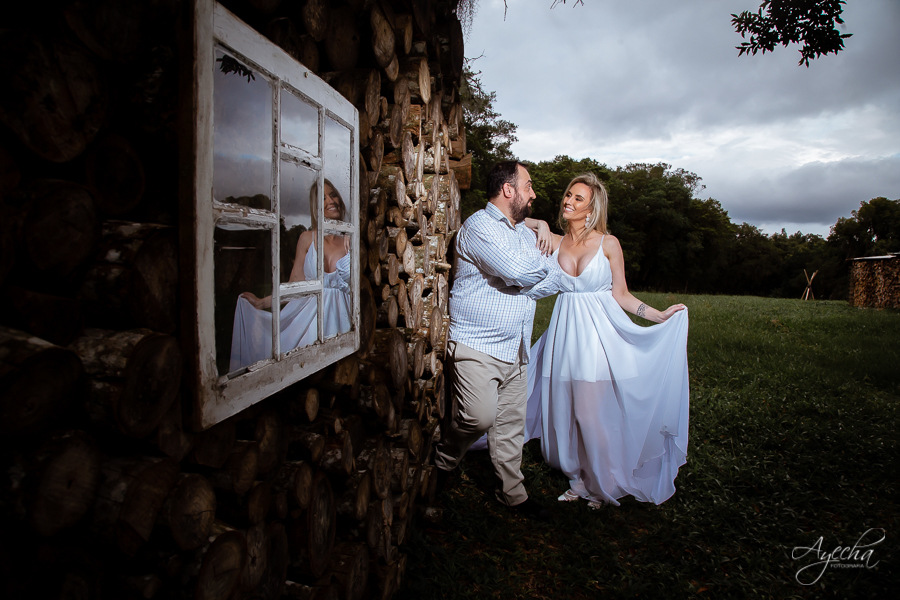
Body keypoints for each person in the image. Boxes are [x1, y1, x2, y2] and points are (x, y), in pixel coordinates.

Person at [523, 172, 689, 508]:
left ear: (591, 208)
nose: (568, 201)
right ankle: (577, 479)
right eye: (568, 195)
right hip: (564, 336)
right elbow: (512, 220)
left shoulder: (608, 243)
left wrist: (657, 315)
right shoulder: (555, 242)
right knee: (564, 414)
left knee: (589, 414)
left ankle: (603, 482)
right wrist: (538, 222)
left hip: (597, 336)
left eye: (578, 198)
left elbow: (622, 295)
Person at [433, 160, 561, 521]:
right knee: (477, 418)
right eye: (529, 186)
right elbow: (523, 271)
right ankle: (443, 462)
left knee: (509, 426)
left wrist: (525, 271)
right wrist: (525, 272)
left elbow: (550, 280)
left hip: (516, 345)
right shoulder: (478, 227)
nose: (533, 194)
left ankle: (512, 495)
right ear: (508, 190)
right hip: (478, 344)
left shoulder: (522, 233)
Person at [230, 179, 351, 371]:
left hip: (345, 325)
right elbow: (294, 285)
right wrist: (262, 303)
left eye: (333, 194)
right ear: (315, 207)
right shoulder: (306, 239)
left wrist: (350, 240)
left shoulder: (350, 238)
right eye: (323, 198)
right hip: (311, 325)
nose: (330, 200)